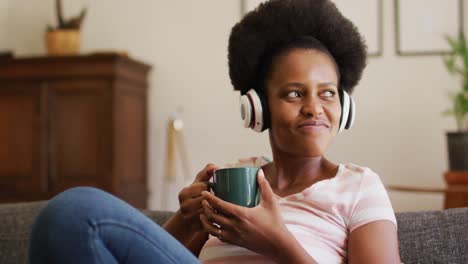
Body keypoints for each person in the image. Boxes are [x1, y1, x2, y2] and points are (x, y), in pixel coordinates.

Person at [29, 0, 400, 263]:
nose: (314, 107)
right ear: (257, 106)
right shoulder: (237, 179)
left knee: (78, 210)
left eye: (328, 93)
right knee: (65, 221)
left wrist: (278, 243)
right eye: (293, 93)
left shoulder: (359, 188)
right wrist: (186, 221)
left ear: (344, 105)